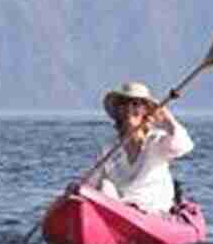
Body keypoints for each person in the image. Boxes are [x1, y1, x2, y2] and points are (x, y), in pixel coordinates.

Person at [79, 81, 193, 214]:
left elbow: (183, 146)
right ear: (118, 111)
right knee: (105, 186)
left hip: (153, 211)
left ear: (145, 111)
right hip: (121, 209)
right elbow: (91, 182)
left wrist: (168, 120)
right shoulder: (110, 148)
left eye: (135, 104)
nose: (129, 108)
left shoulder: (156, 141)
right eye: (123, 103)